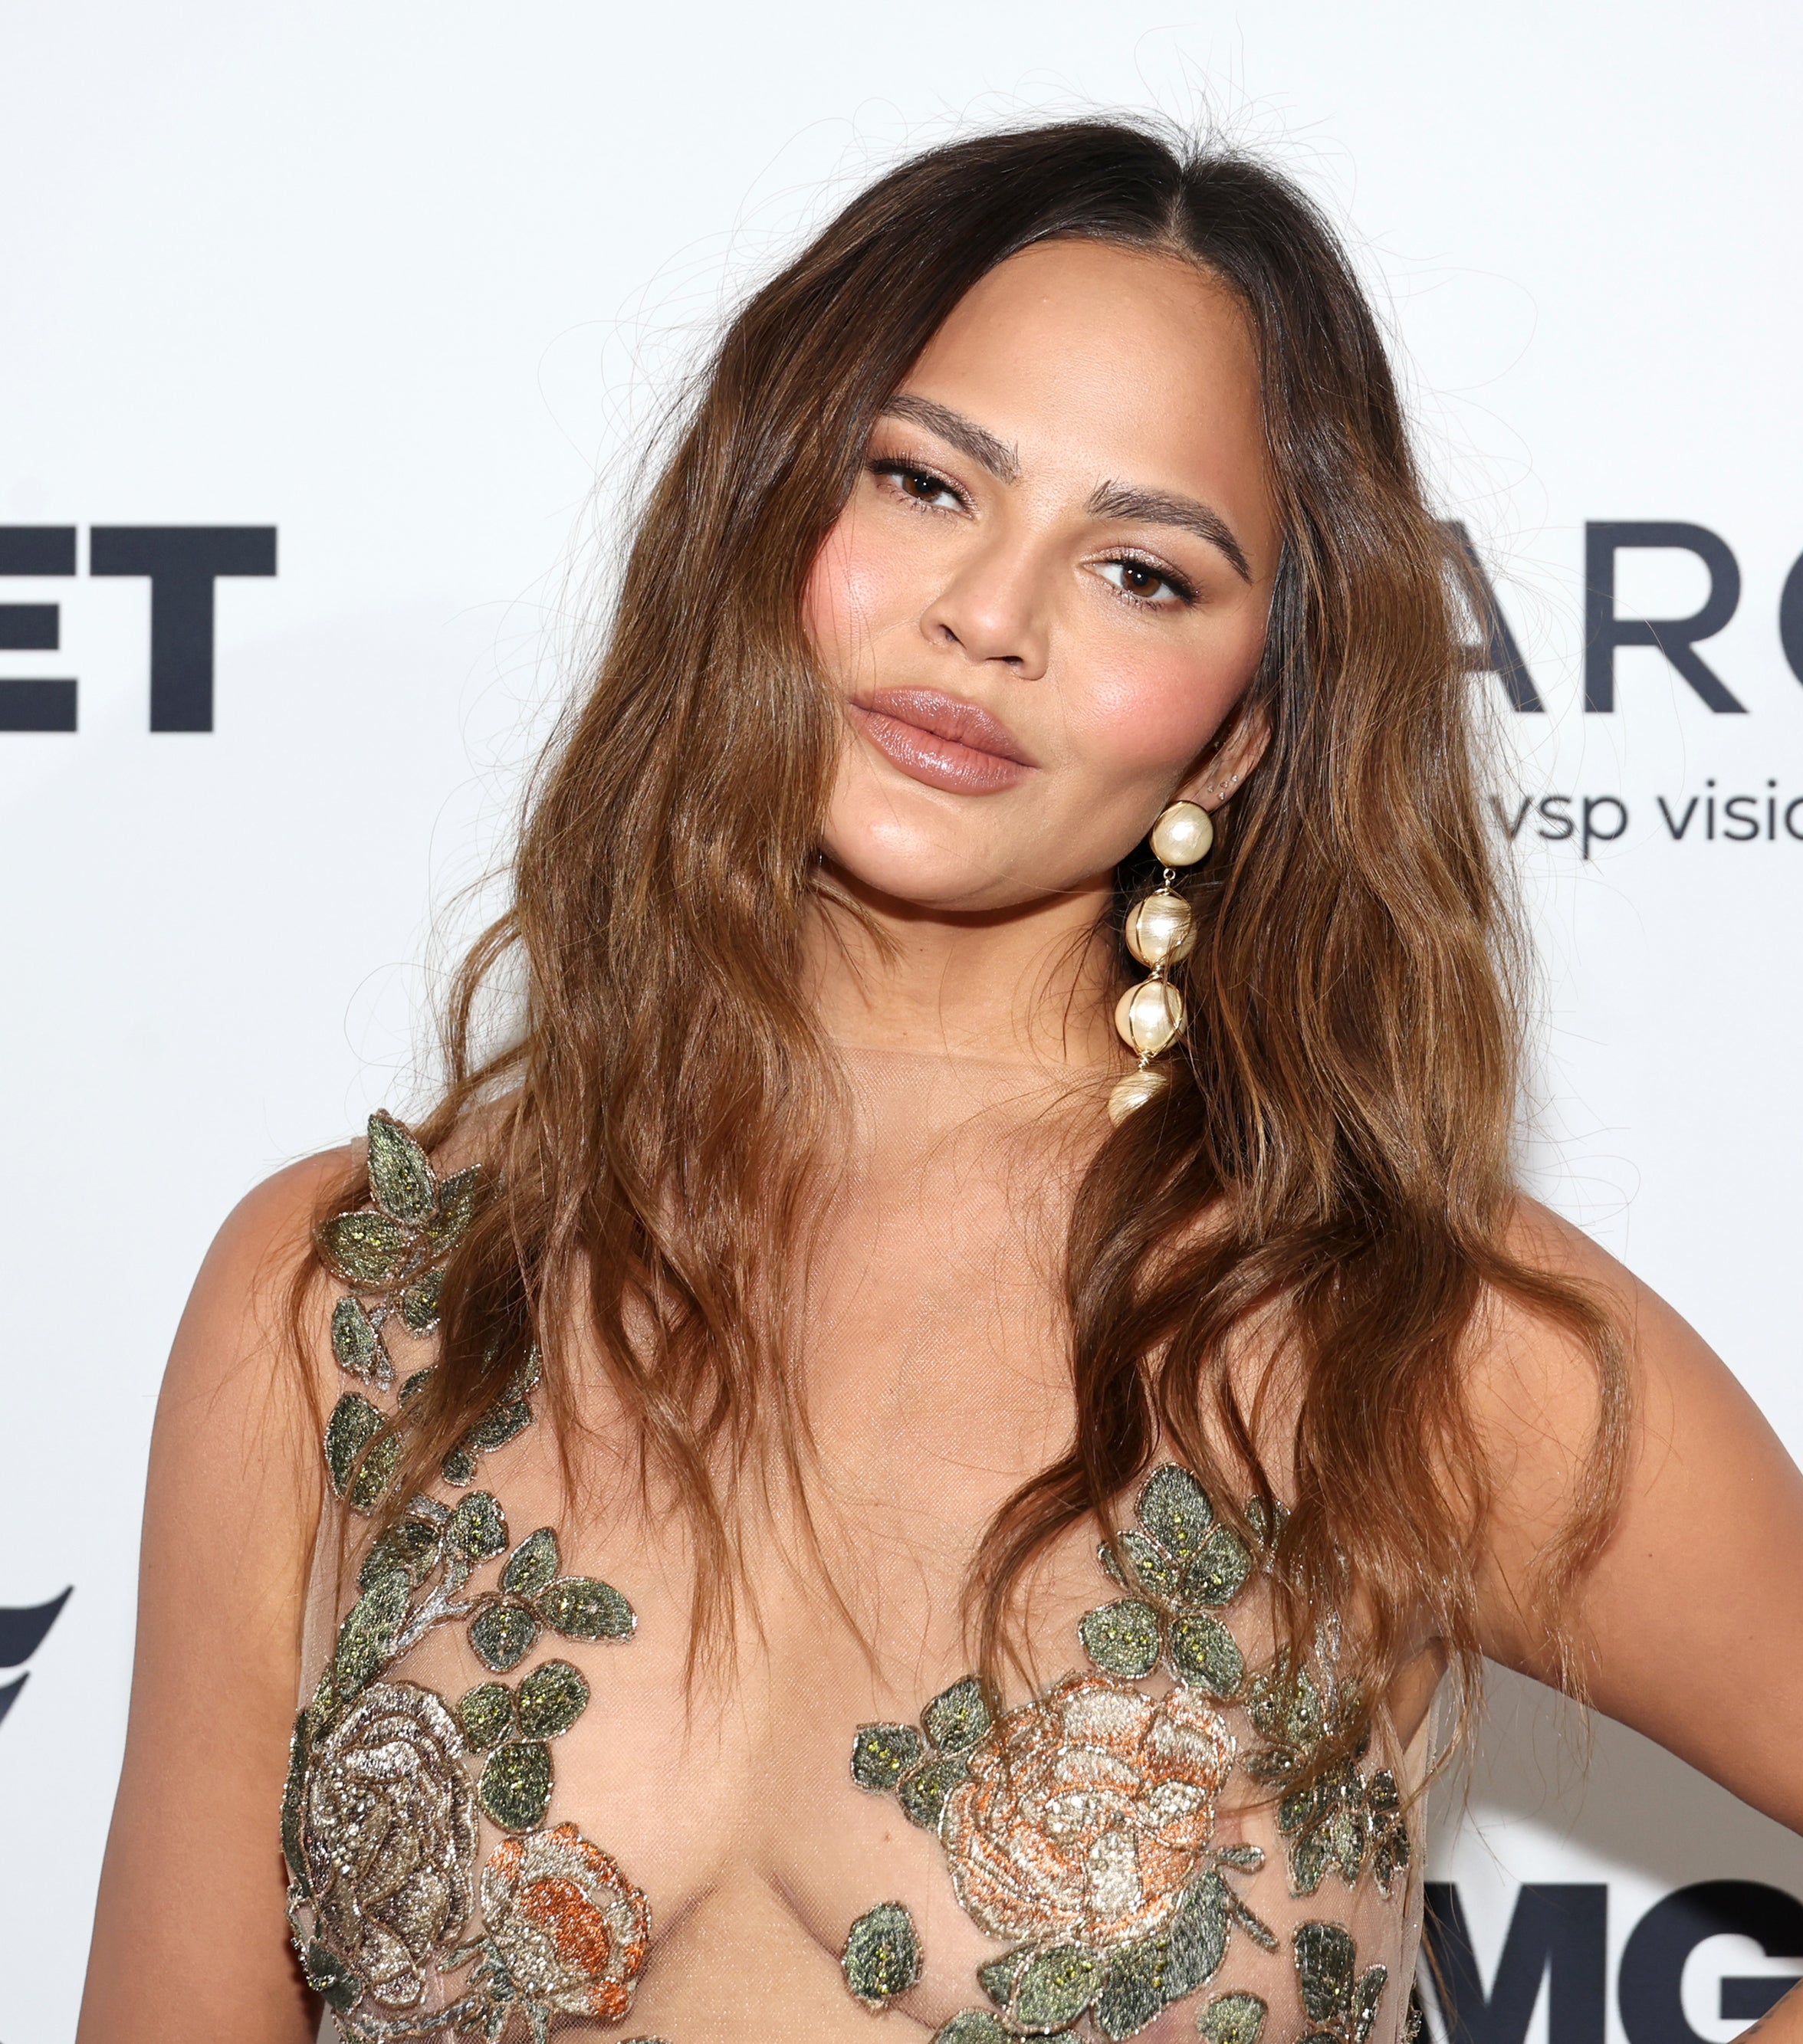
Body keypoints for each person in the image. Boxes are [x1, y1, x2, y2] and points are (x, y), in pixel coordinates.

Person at [77, 120, 1803, 2044]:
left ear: (1243, 735)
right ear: (763, 512)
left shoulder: (1392, 1313)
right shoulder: (345, 1293)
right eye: (923, 481)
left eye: (1144, 571)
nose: (994, 615)